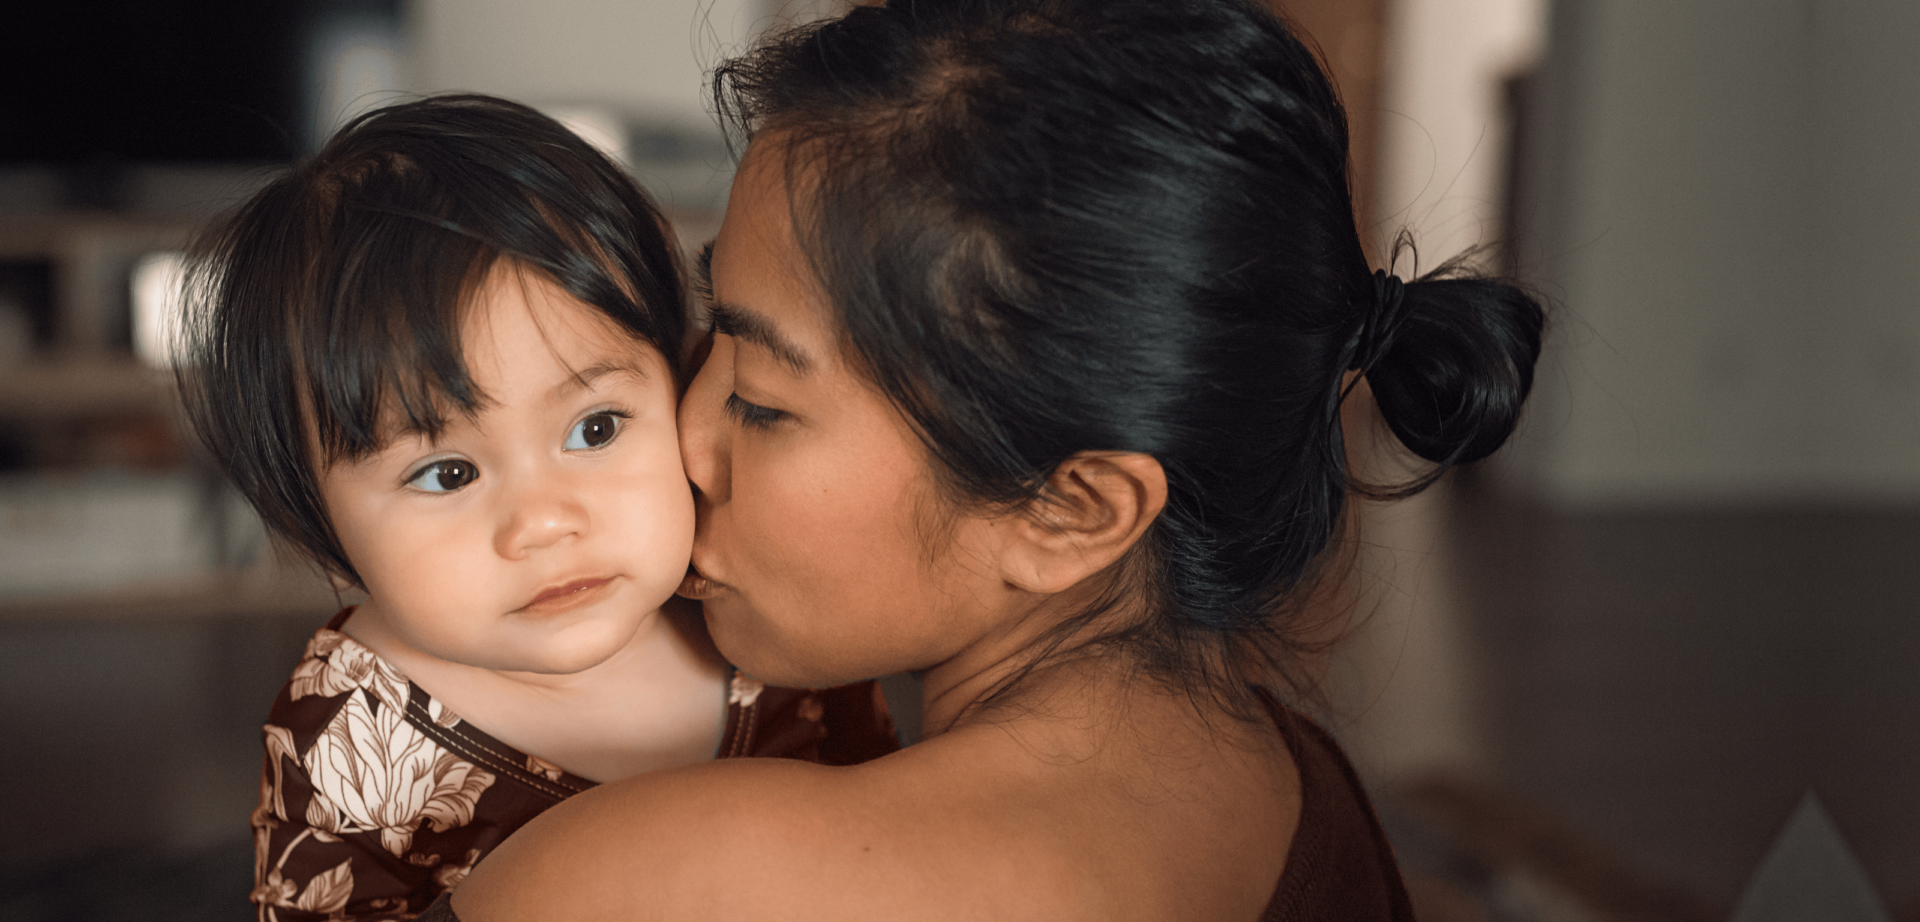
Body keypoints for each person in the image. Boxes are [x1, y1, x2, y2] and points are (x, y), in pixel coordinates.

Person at [433, 0, 1545, 918]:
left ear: (1071, 510)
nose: (682, 429)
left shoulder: (659, 880)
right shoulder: (1291, 779)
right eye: (713, 325)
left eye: (764, 403)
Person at [175, 95, 896, 922]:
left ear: (682, 383)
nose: (546, 522)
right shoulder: (349, 738)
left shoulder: (764, 604)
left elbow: (900, 830)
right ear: (317, 517)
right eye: (446, 474)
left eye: (595, 428)